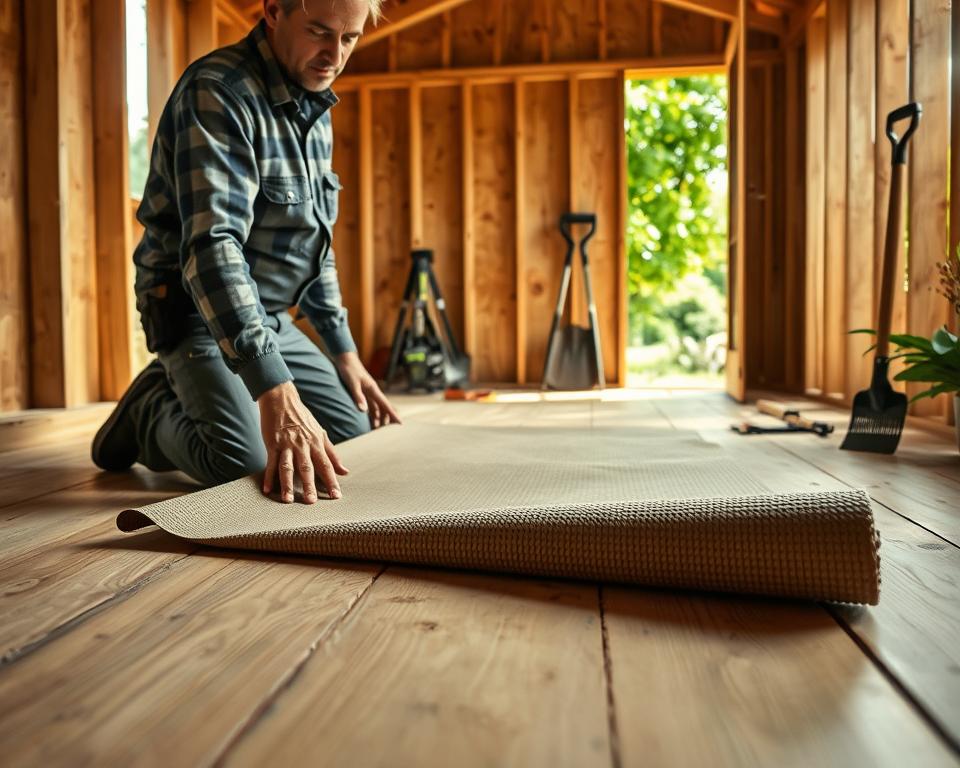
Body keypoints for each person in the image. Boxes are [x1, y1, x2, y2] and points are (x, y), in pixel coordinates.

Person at [92, 0, 398, 505]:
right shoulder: (218, 92)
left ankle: (198, 383)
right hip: (196, 312)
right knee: (249, 466)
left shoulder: (315, 103)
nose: (333, 56)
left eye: (349, 39)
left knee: (352, 435)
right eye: (320, 33)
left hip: (269, 316)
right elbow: (213, 247)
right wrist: (273, 389)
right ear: (274, 11)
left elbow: (313, 245)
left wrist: (346, 355)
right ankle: (149, 411)